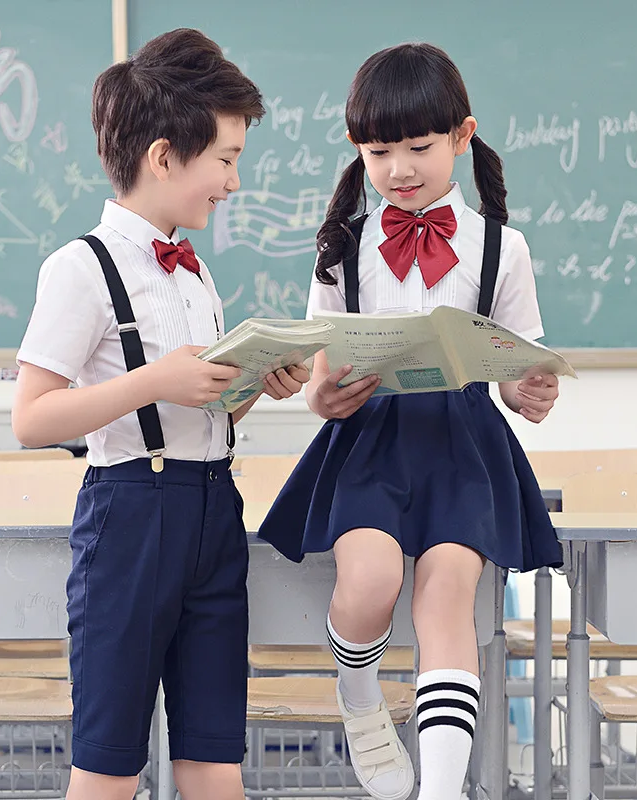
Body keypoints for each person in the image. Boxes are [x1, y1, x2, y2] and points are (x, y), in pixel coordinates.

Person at [258, 42, 562, 800]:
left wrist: (528, 395)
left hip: (462, 446)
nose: (399, 168)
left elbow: (520, 366)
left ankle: (441, 789)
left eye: (419, 147)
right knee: (369, 579)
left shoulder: (503, 247)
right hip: (369, 442)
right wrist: (321, 400)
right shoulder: (341, 250)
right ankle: (361, 705)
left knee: (446, 594)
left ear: (462, 136)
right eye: (378, 150)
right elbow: (317, 378)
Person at [12, 29, 308, 800]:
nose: (234, 183)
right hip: (131, 515)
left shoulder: (194, 269)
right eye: (227, 160)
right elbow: (33, 418)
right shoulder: (81, 268)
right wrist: (153, 382)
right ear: (165, 156)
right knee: (110, 763)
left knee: (214, 757)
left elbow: (192, 399)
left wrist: (252, 383)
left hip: (214, 509)